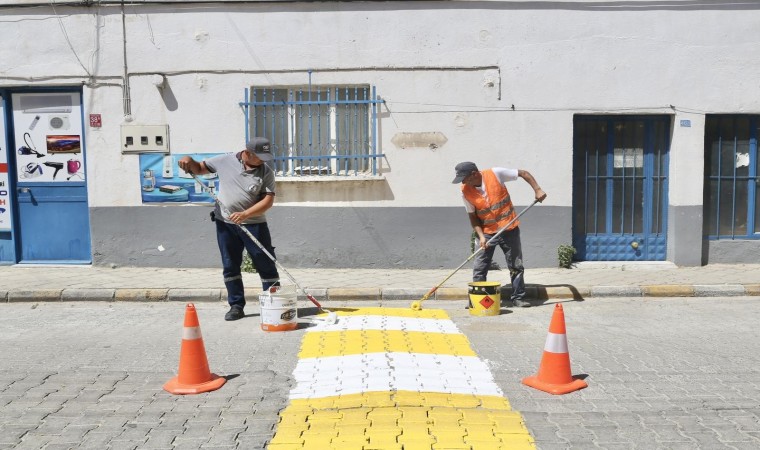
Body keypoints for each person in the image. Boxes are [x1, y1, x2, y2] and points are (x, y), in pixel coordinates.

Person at [178, 138, 280, 321]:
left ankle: (274, 304)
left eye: (266, 157)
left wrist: (246, 214)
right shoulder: (225, 161)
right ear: (247, 153)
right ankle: (236, 305)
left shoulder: (266, 172)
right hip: (225, 223)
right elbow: (199, 168)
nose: (263, 161)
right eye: (260, 157)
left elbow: (268, 201)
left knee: (265, 264)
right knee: (230, 264)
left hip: (254, 224)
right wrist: (187, 159)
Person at [452, 161, 547, 307]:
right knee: (480, 267)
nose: (464, 182)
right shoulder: (465, 191)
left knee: (516, 265)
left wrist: (538, 189)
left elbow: (523, 173)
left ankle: (518, 297)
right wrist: (481, 236)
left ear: (474, 174)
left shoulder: (495, 173)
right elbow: (473, 217)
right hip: (487, 232)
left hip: (509, 228)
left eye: (465, 178)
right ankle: (476, 300)